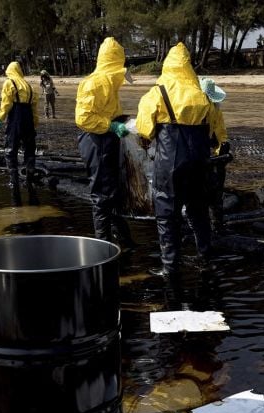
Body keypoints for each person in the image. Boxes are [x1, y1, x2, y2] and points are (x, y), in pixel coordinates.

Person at [136, 42, 227, 277]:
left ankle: (170, 266)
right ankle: (206, 258)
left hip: (170, 161)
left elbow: (144, 129)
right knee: (198, 210)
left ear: (168, 65)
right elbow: (215, 131)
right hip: (199, 161)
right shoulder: (202, 94)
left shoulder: (157, 92)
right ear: (188, 66)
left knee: (167, 212)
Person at [75, 37, 135, 246]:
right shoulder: (95, 82)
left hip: (106, 139)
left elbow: (108, 110)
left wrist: (123, 120)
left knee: (113, 193)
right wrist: (111, 126)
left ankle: (124, 241)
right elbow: (83, 118)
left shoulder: (109, 81)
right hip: (95, 140)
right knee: (101, 196)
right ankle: (103, 246)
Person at [0, 61, 38, 185]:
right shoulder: (29, 85)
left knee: (11, 149)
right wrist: (34, 124)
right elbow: (34, 109)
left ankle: (13, 181)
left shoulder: (9, 83)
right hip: (28, 119)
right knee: (29, 149)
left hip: (16, 118)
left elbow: (6, 105)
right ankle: (30, 179)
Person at [199, 77, 231, 234]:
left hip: (209, 153)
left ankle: (214, 225)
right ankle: (215, 225)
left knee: (212, 191)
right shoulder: (211, 109)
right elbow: (221, 133)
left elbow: (221, 132)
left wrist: (222, 150)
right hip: (205, 153)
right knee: (213, 192)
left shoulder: (214, 110)